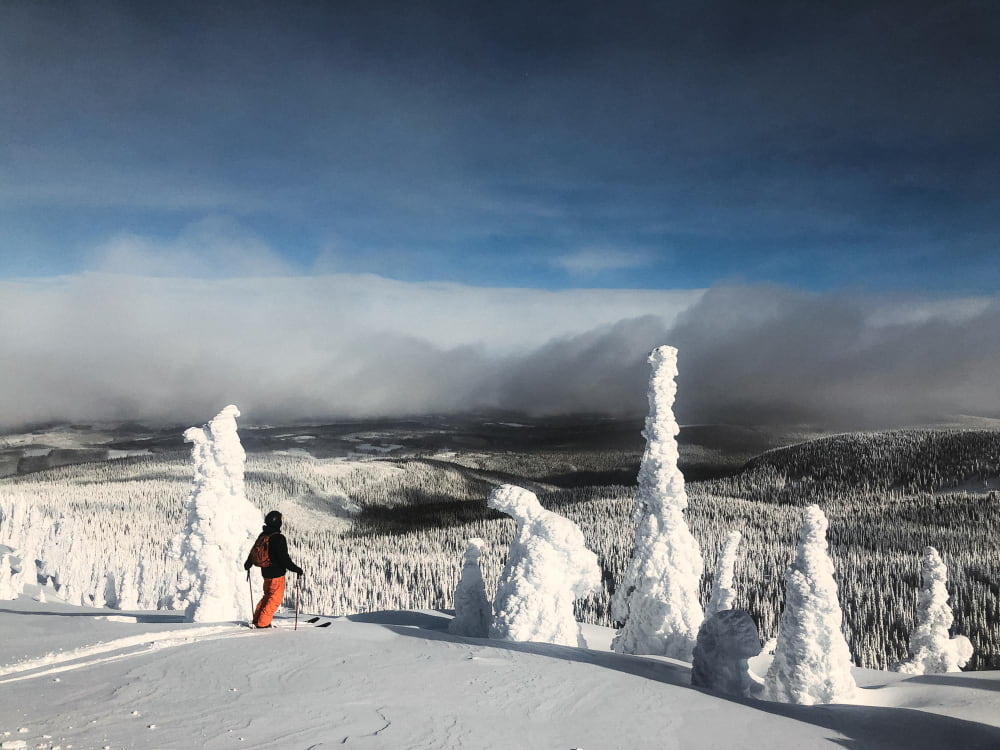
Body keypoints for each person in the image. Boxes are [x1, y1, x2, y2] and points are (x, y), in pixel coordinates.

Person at [244, 510, 303, 628]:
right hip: (277, 575)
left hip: (265, 573)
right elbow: (284, 559)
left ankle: (257, 619)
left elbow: (254, 551)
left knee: (267, 596)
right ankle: (263, 623)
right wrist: (296, 569)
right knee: (275, 599)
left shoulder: (263, 535)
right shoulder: (279, 538)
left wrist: (248, 564)